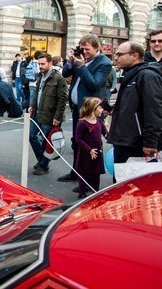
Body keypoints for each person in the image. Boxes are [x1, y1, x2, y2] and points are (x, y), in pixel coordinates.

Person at [107, 41, 162, 180]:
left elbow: (155, 111)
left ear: (134, 56)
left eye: (120, 54)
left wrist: (150, 142)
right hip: (124, 141)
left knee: (132, 188)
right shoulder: (131, 75)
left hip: (136, 144)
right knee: (120, 185)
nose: (116, 58)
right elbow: (132, 106)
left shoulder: (147, 76)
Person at [59, 33, 112, 182]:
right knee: (77, 141)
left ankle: (88, 180)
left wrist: (81, 66)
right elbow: (65, 73)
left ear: (97, 48)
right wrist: (70, 62)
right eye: (82, 48)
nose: (84, 52)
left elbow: (94, 84)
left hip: (91, 111)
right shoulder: (80, 58)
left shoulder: (104, 63)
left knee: (89, 145)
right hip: (78, 108)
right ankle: (76, 173)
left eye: (88, 49)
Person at [28, 53, 68, 175]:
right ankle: (42, 160)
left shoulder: (59, 78)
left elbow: (62, 99)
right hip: (37, 113)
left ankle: (43, 166)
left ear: (50, 63)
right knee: (32, 136)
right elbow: (36, 94)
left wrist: (57, 117)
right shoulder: (41, 76)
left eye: (43, 64)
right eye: (39, 64)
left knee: (46, 142)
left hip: (50, 115)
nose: (40, 66)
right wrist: (32, 107)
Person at [75, 97, 107, 198]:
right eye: (100, 108)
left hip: (97, 151)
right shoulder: (82, 123)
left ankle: (95, 191)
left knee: (96, 171)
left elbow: (106, 134)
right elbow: (78, 139)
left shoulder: (99, 122)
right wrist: (89, 150)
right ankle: (82, 192)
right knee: (84, 171)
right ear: (94, 108)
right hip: (86, 152)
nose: (102, 110)